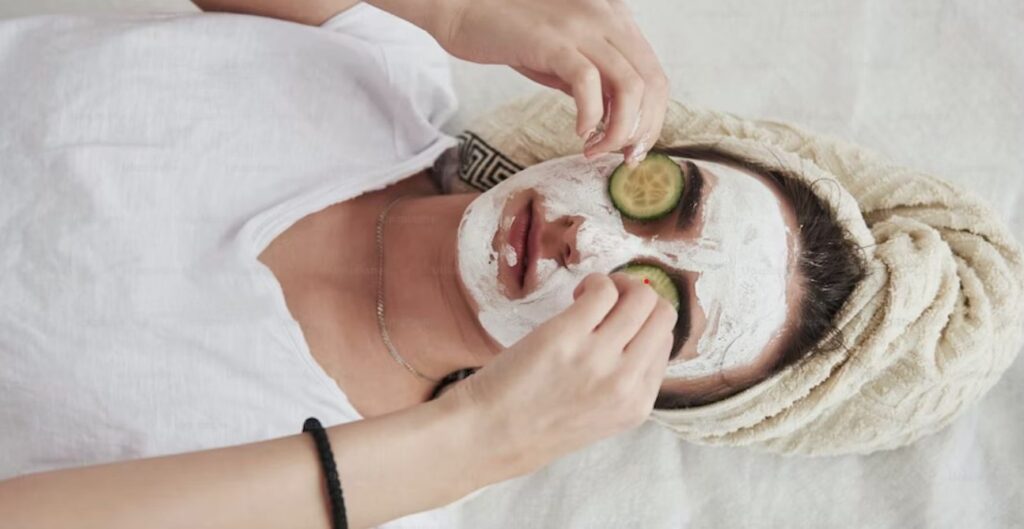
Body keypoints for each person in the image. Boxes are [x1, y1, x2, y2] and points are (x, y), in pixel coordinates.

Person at [0, 1, 685, 528]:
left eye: (659, 300)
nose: (589, 242)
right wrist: (451, 10)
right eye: (663, 198)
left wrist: (481, 438)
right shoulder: (383, 52)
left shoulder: (393, 495)